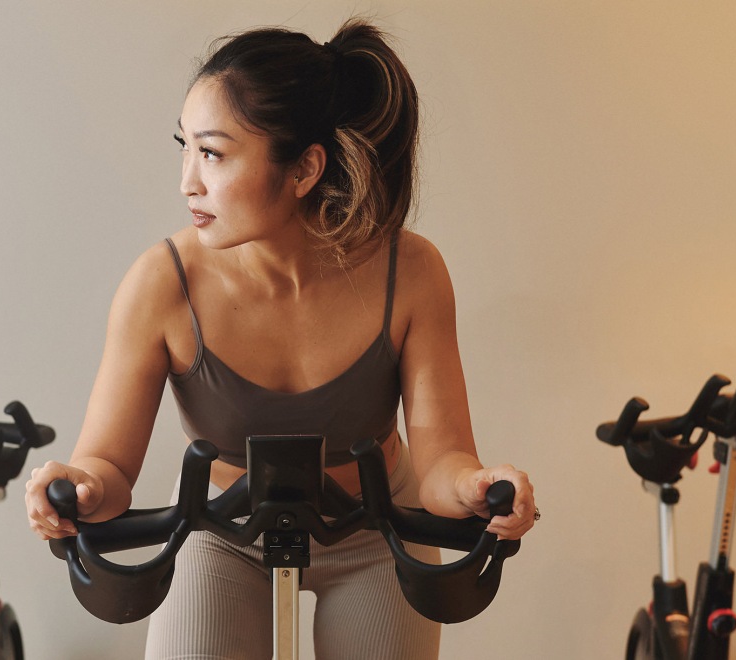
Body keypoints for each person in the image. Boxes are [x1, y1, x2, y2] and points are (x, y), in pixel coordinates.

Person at [26, 17, 537, 659]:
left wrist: (474, 489)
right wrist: (79, 486)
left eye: (212, 153)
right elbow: (109, 469)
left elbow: (441, 464)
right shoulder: (161, 283)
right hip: (224, 532)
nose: (187, 180)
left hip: (375, 530)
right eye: (184, 147)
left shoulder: (411, 271)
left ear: (303, 169)